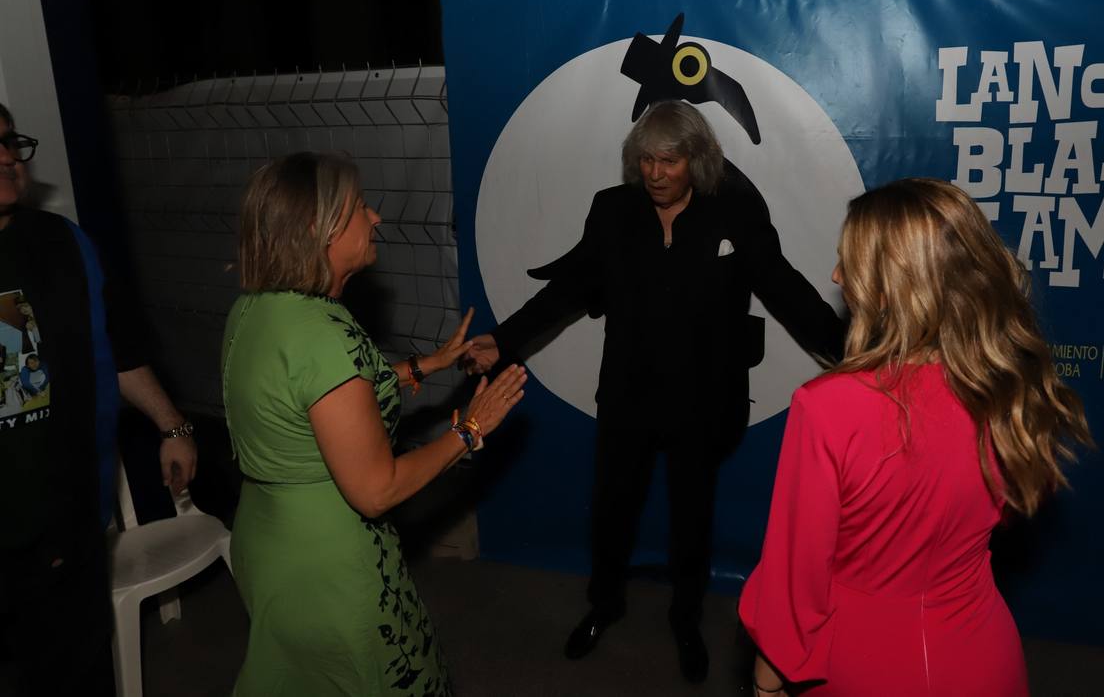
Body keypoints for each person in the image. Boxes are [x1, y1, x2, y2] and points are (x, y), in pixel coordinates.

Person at [462, 100, 844, 682]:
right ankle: (603, 605)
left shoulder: (734, 213)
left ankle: (687, 620)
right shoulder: (612, 211)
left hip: (705, 400)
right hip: (627, 396)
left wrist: (850, 352)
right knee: (612, 509)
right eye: (645, 160)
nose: (656, 173)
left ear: (698, 159)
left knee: (693, 518)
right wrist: (504, 339)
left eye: (669, 160)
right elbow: (569, 290)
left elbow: (786, 288)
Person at [739, 178, 1094, 696]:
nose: (836, 276)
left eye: (850, 265)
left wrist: (766, 683)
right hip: (982, 657)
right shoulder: (1005, 389)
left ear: (891, 289)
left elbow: (797, 583)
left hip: (859, 664)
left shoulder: (827, 408)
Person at [223, 151, 527, 696]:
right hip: (328, 565)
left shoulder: (260, 308)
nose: (376, 217)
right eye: (361, 206)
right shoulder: (318, 334)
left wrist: (422, 366)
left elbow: (321, 392)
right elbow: (376, 490)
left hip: (268, 541)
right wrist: (469, 430)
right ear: (321, 229)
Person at [0, 102, 198, 696]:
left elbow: (115, 349)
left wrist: (173, 426)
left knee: (81, 672)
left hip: (69, 528)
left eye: (10, 141)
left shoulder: (65, 244)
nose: (7, 156)